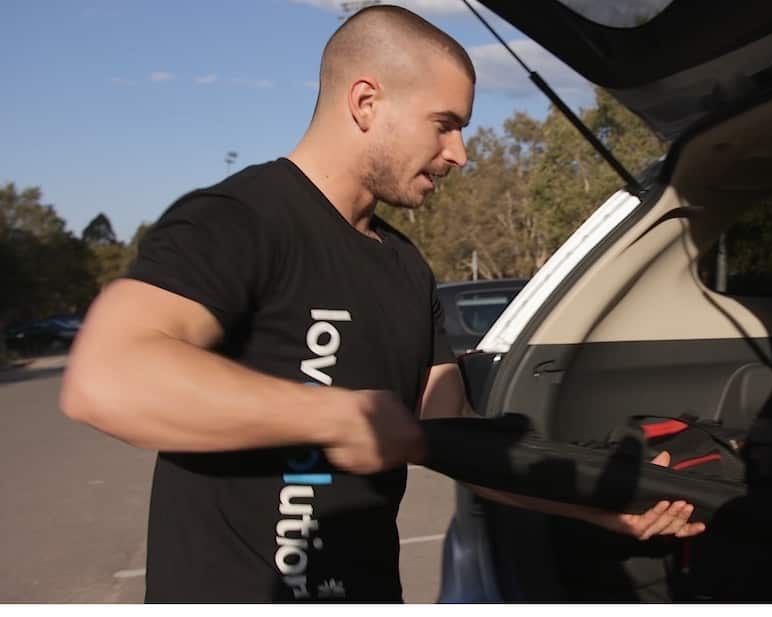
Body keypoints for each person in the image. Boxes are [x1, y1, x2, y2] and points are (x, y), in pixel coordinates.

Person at [60, 5, 704, 603]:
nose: (460, 153)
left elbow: (456, 441)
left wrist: (595, 501)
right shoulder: (237, 220)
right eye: (445, 124)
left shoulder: (407, 270)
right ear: (367, 102)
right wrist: (338, 418)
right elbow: (106, 378)